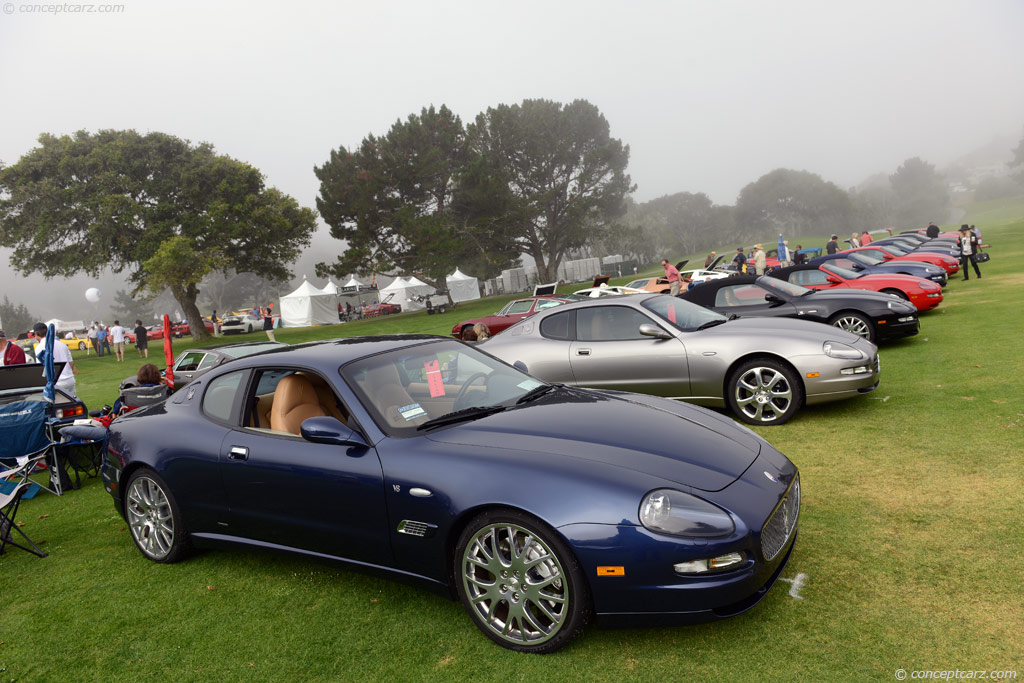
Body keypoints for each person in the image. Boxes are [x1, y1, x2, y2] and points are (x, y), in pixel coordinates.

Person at [32, 322, 77, 397]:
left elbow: (42, 369)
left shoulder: (39, 348)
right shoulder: (62, 344)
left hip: (56, 382)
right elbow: (71, 364)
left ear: (36, 334)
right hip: (69, 379)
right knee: (71, 405)